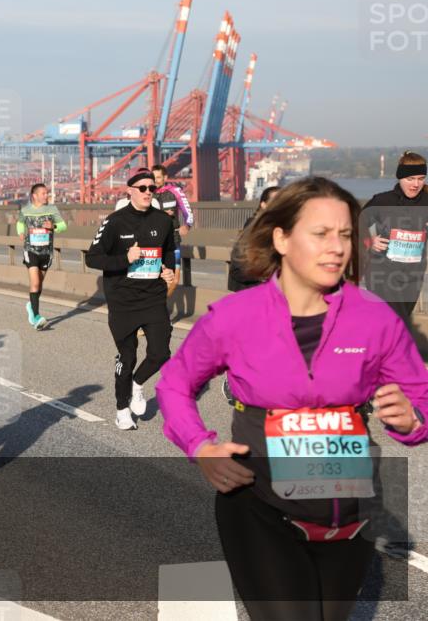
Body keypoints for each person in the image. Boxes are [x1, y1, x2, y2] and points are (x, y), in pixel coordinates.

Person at [156, 176, 428, 620]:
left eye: (345, 235)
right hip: (259, 505)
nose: (337, 248)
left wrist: (412, 421)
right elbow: (174, 385)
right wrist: (200, 446)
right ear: (281, 239)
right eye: (320, 234)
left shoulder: (375, 318)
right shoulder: (235, 317)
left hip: (352, 512)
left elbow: (422, 400)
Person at [85, 167, 177, 430]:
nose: (149, 192)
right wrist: (124, 259)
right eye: (143, 188)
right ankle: (121, 409)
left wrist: (168, 270)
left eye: (152, 188)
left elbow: (168, 251)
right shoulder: (115, 222)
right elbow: (92, 258)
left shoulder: (163, 221)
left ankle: (137, 384)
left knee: (161, 353)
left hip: (152, 297)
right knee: (127, 358)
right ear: (130, 192)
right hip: (123, 300)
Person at [361, 151, 428, 327]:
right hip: (382, 273)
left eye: (421, 179)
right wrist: (370, 241)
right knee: (393, 321)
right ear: (400, 177)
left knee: (400, 324)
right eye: (410, 179)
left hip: (413, 276)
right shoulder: (382, 201)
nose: (416, 184)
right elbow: (355, 223)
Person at [16, 183, 67, 329]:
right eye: (43, 193)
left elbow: (63, 226)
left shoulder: (52, 209)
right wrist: (20, 232)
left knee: (39, 285)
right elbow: (20, 223)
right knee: (35, 283)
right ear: (35, 195)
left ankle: (31, 306)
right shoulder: (26, 210)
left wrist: (53, 226)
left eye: (47, 193)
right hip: (31, 250)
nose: (46, 196)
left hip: (46, 253)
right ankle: (36, 317)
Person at [228, 186, 281, 292]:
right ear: (263, 205)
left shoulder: (281, 227)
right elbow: (238, 267)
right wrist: (263, 276)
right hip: (253, 289)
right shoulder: (253, 228)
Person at [152, 164, 194, 293]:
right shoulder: (148, 193)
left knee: (174, 280)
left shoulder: (175, 191)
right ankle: (158, 303)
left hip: (173, 239)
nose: (155, 180)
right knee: (155, 278)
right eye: (153, 177)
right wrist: (162, 214)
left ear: (165, 177)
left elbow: (188, 210)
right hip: (154, 242)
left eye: (158, 177)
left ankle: (161, 302)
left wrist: (187, 225)